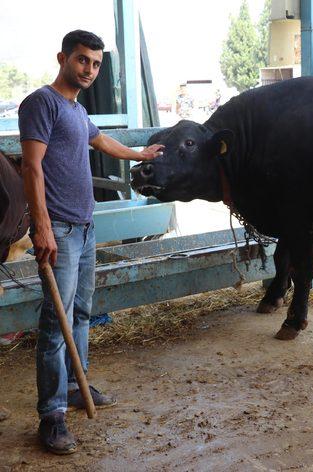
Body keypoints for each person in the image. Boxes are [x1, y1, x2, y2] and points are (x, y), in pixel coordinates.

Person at [19, 30, 164, 455]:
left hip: (85, 228)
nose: (90, 70)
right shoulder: (41, 103)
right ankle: (52, 414)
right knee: (55, 324)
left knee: (80, 312)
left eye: (96, 64)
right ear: (63, 57)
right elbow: (31, 167)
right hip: (59, 229)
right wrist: (41, 226)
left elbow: (102, 142)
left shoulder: (77, 112)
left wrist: (141, 155)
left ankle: (77, 383)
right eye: (83, 60)